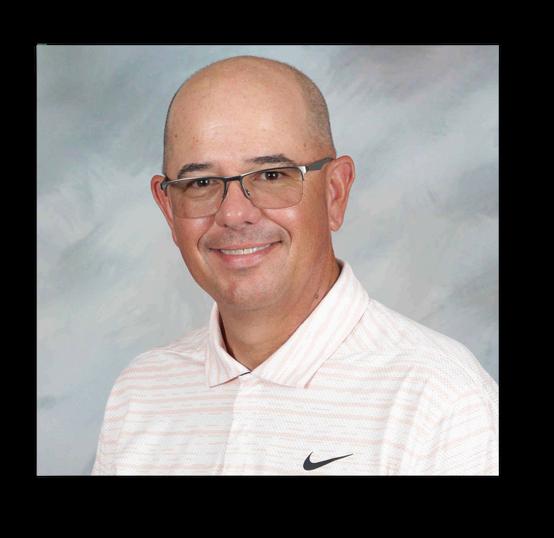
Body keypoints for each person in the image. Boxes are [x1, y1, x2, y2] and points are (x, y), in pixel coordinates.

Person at [91, 55, 498, 475]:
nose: (234, 214)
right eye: (201, 183)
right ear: (167, 207)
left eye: (271, 175)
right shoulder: (141, 394)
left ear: (335, 192)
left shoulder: (440, 402)